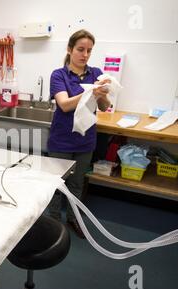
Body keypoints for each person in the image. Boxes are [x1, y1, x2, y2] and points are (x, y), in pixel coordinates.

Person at [48, 29, 111, 238]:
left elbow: (104, 106)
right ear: (70, 49)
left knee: (77, 184)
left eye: (89, 51)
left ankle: (74, 219)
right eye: (80, 49)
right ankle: (54, 222)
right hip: (62, 140)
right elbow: (65, 105)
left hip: (85, 140)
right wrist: (90, 91)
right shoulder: (59, 75)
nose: (85, 55)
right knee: (57, 184)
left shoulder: (96, 74)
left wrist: (102, 93)